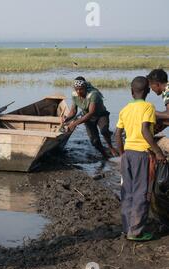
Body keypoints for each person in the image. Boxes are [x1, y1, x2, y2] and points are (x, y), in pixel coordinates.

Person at [115, 76, 167, 242]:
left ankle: (127, 227)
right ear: (148, 91)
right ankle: (136, 232)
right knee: (142, 192)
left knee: (127, 192)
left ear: (131, 92)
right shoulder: (148, 107)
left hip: (128, 154)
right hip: (142, 155)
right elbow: (145, 131)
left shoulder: (124, 109)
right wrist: (158, 152)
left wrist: (122, 154)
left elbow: (117, 134)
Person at [63, 77, 119, 158]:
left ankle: (111, 147)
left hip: (100, 115)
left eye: (81, 89)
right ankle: (105, 155)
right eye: (76, 89)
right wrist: (66, 119)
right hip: (88, 119)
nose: (78, 91)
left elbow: (91, 112)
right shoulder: (74, 95)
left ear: (85, 87)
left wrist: (74, 124)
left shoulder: (93, 94)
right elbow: (73, 112)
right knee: (94, 141)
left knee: (104, 131)